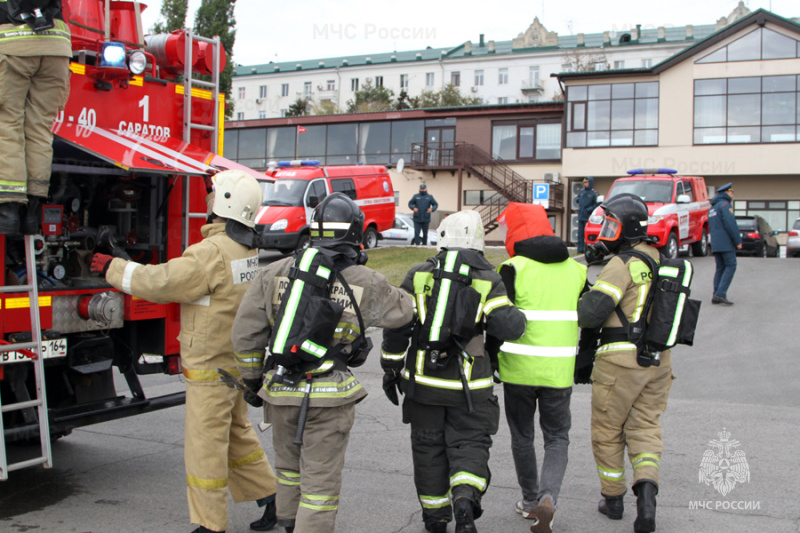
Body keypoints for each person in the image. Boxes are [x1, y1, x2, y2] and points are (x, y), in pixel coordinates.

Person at [90, 170, 278, 533]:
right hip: (236, 364)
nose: (210, 200)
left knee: (205, 447)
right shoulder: (247, 247)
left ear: (223, 205)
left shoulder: (209, 253)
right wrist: (216, 187)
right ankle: (274, 500)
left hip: (209, 368)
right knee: (236, 434)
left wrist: (112, 266)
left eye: (215, 196)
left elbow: (159, 282)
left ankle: (210, 524)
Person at [231, 192, 414, 533]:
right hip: (330, 396)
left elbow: (245, 333)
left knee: (287, 469)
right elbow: (405, 311)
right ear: (355, 232)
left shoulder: (275, 272)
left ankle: (287, 523)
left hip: (280, 390)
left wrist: (252, 381)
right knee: (320, 486)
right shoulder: (366, 280)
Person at [381, 210, 526, 533]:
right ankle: (464, 499)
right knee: (470, 445)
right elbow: (511, 327)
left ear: (442, 238)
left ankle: (436, 519)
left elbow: (396, 328)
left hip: (422, 389)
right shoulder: (489, 278)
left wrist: (390, 367)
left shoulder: (419, 275)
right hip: (470, 391)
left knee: (428, 450)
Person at [576, 193, 672, 533]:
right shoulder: (662, 260)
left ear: (627, 228)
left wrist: (584, 288)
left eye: (611, 223)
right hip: (658, 362)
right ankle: (646, 496)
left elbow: (590, 315)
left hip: (619, 362)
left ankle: (613, 500)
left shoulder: (623, 265)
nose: (605, 230)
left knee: (607, 430)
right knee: (645, 428)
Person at [494, 204, 588, 533]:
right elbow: (589, 316)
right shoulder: (576, 270)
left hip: (518, 369)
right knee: (557, 438)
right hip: (559, 371)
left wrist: (492, 361)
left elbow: (497, 320)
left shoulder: (512, 268)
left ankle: (530, 501)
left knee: (523, 437)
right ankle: (549, 497)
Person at [0, 0, 72, 234]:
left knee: (7, 123)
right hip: (57, 47)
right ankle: (31, 212)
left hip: (13, 43)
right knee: (40, 128)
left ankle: (9, 212)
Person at [708, 183, 742, 305]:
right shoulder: (725, 206)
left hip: (716, 243)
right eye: (732, 192)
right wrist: (737, 241)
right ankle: (721, 294)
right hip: (726, 243)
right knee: (731, 265)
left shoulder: (712, 208)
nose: (732, 194)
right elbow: (730, 224)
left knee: (720, 268)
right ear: (727, 192)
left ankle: (715, 294)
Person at [575, 177, 600, 253]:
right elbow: (577, 199)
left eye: (587, 182)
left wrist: (589, 209)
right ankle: (580, 249)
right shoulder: (582, 192)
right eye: (584, 183)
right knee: (580, 234)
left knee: (588, 234)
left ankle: (588, 249)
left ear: (590, 183)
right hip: (581, 216)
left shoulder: (594, 193)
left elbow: (597, 204)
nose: (585, 184)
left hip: (588, 216)